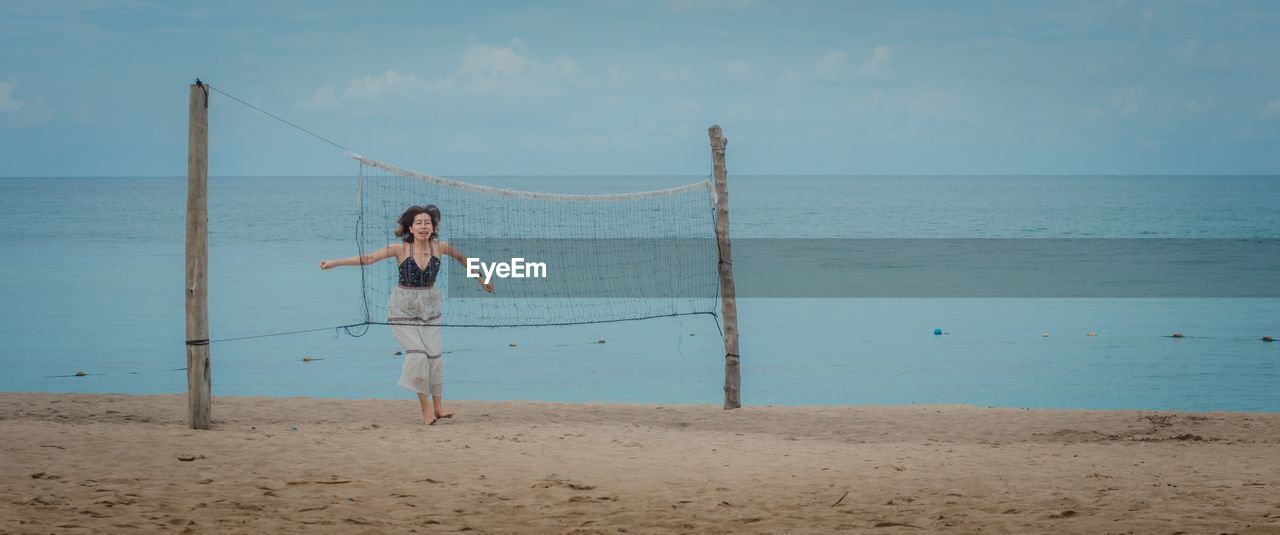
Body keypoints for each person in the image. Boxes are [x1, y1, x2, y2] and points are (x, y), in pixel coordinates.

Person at [321, 205, 493, 425]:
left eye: (427, 223)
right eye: (419, 223)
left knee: (435, 359)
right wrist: (334, 263)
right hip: (402, 307)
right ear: (410, 227)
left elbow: (463, 259)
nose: (423, 227)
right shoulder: (399, 249)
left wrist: (481, 279)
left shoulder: (440, 247)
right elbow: (369, 258)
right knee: (418, 356)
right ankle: (426, 411)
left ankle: (439, 408)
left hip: (430, 306)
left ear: (433, 227)